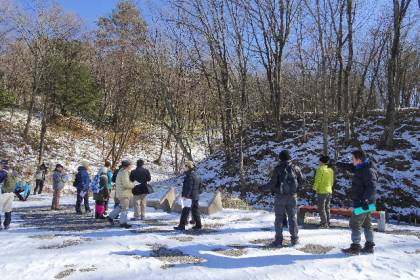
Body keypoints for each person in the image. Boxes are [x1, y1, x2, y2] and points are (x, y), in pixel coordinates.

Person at [260, 150, 304, 247]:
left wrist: (262, 188)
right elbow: (301, 181)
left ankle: (278, 241)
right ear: (289, 158)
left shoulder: (278, 169)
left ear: (280, 158)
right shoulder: (296, 168)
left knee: (279, 218)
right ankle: (295, 239)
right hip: (292, 197)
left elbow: (272, 183)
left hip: (280, 197)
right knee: (292, 218)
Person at [337, 150, 377, 255]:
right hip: (368, 203)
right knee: (367, 224)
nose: (352, 160)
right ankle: (369, 246)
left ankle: (355, 247)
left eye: (353, 158)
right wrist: (337, 164)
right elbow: (350, 167)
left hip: (363, 203)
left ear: (358, 160)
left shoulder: (367, 170)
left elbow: (372, 187)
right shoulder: (362, 168)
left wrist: (365, 200)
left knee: (355, 223)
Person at [174, 161, 203, 231]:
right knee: (195, 211)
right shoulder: (198, 176)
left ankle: (181, 226)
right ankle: (198, 225)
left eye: (185, 166)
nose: (184, 168)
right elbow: (201, 188)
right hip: (195, 196)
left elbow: (189, 187)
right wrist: (197, 193)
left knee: (185, 211)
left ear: (188, 167)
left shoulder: (189, 176)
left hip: (189, 197)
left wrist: (186, 196)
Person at [107, 160, 134, 228]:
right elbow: (126, 184)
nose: (131, 166)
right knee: (125, 208)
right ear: (127, 166)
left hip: (121, 192)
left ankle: (110, 217)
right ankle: (123, 223)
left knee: (121, 206)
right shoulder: (124, 172)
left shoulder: (121, 171)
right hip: (124, 193)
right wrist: (133, 185)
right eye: (130, 165)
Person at [313, 155, 335, 228]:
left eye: (319, 161)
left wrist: (314, 188)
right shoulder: (330, 170)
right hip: (329, 190)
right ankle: (327, 222)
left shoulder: (320, 169)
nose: (318, 162)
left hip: (322, 191)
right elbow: (332, 181)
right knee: (327, 207)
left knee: (321, 208)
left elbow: (317, 180)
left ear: (322, 162)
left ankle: (324, 223)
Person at [0, 162, 17, 230]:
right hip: (11, 193)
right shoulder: (13, 174)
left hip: (3, 193)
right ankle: (7, 224)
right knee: (8, 209)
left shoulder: (2, 173)